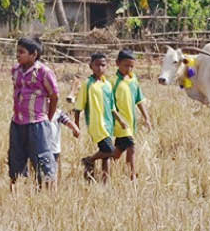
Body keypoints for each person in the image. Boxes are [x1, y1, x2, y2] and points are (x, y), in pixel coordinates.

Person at [7, 37, 61, 190]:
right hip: (17, 123)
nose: (18, 55)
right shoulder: (15, 71)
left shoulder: (44, 72)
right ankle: (17, 192)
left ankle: (47, 193)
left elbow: (54, 96)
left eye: (22, 52)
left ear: (34, 54)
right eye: (17, 51)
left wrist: (48, 118)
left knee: (42, 160)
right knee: (16, 159)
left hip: (37, 123)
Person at [74, 52, 123, 183]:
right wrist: (76, 125)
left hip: (108, 124)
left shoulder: (107, 84)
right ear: (91, 66)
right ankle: (89, 160)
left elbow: (112, 107)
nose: (100, 68)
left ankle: (105, 181)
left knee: (105, 154)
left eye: (103, 65)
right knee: (112, 151)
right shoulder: (87, 84)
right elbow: (78, 107)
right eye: (97, 65)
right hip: (96, 124)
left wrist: (120, 121)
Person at [109, 49, 152, 180]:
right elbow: (110, 105)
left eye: (132, 66)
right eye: (126, 65)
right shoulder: (113, 82)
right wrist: (119, 120)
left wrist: (147, 118)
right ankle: (132, 175)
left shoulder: (133, 80)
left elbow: (139, 100)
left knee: (118, 151)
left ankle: (101, 162)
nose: (129, 69)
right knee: (131, 146)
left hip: (131, 122)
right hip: (119, 122)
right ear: (117, 63)